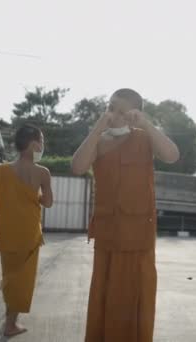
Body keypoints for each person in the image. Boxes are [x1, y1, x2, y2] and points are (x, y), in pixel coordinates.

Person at [72, 88, 179, 342]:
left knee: (136, 299)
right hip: (108, 236)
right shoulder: (99, 142)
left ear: (135, 113)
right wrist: (98, 126)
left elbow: (172, 156)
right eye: (111, 108)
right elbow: (77, 167)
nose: (115, 116)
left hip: (139, 237)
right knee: (105, 297)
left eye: (122, 111)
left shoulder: (144, 138)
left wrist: (146, 124)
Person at [0, 124, 53, 337]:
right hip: (30, 234)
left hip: (8, 233)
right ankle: (11, 323)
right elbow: (48, 202)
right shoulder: (42, 172)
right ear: (34, 144)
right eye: (42, 142)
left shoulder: (1, 171)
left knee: (10, 277)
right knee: (24, 279)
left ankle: (10, 322)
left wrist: (5, 195)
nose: (43, 146)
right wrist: (33, 197)